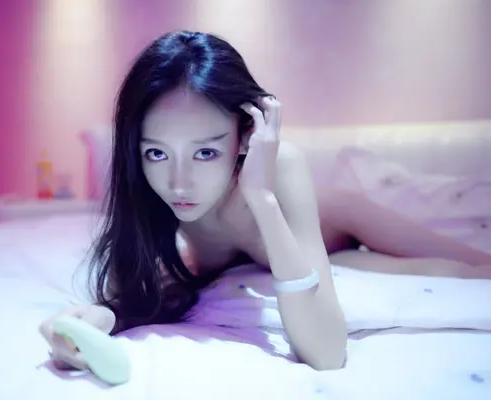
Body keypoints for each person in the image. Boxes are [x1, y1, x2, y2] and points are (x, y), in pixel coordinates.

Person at [40, 30, 491, 373]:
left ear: (245, 136)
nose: (178, 183)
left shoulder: (280, 166)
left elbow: (328, 355)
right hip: (324, 258)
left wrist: (262, 196)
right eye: (157, 152)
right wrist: (97, 321)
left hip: (339, 220)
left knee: (470, 268)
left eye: (205, 152)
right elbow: (140, 294)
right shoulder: (146, 191)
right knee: (427, 271)